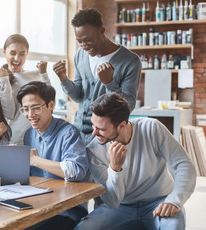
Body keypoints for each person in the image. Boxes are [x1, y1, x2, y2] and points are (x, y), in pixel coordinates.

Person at [75, 92, 197, 230]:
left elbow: (185, 164)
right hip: (119, 207)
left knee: (173, 227)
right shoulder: (94, 150)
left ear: (121, 125)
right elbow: (112, 201)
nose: (94, 133)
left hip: (159, 201)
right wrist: (115, 170)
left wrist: (174, 201)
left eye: (101, 129)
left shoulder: (151, 128)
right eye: (93, 126)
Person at [53, 8, 141, 145]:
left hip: (105, 137)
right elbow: (78, 96)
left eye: (88, 40)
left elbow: (129, 105)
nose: (83, 46)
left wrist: (109, 82)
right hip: (78, 133)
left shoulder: (130, 61)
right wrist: (64, 79)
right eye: (79, 41)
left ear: (102, 30)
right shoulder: (80, 55)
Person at [17, 81, 89, 230]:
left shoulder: (68, 133)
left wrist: (35, 160)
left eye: (36, 108)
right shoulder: (29, 135)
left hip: (66, 210)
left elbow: (76, 171)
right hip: (36, 206)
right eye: (25, 109)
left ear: (51, 105)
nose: (30, 115)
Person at [0, 34, 51, 144]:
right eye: (12, 53)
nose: (17, 58)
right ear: (4, 52)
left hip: (39, 138)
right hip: (14, 139)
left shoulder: (35, 75)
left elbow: (50, 102)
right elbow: (9, 114)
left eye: (22, 54)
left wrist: (44, 74)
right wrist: (5, 80)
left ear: (27, 54)